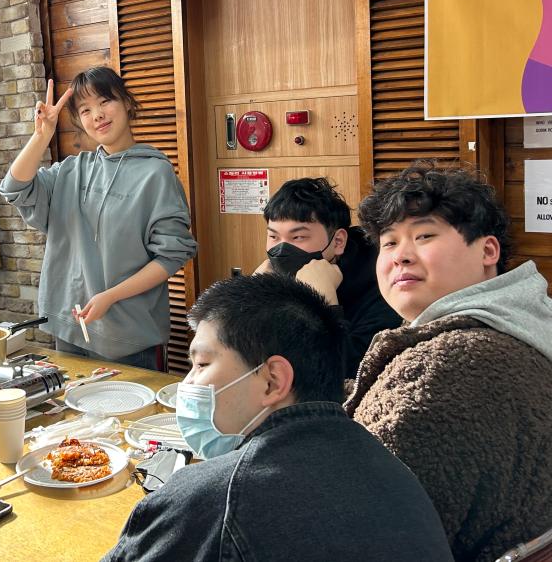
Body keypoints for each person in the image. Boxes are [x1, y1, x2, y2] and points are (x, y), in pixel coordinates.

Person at [102, 274, 453, 562]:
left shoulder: (214, 499)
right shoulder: (390, 469)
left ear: (273, 380)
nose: (188, 383)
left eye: (202, 364)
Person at [347, 161, 552, 561]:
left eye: (424, 235)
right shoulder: (524, 320)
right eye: (388, 243)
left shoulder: (452, 366)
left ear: (488, 251)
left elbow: (363, 518)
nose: (400, 256)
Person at [0, 67, 197, 370]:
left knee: (133, 403)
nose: (98, 115)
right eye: (85, 110)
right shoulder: (71, 170)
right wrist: (41, 136)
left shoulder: (156, 174)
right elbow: (14, 187)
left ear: (127, 102)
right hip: (70, 327)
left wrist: (110, 297)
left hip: (129, 336)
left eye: (105, 101)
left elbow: (170, 257)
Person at [255, 177, 401, 377]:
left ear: (338, 241)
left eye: (298, 237)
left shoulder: (383, 286)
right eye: (273, 236)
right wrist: (252, 298)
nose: (281, 249)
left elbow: (352, 372)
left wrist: (326, 304)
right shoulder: (274, 276)